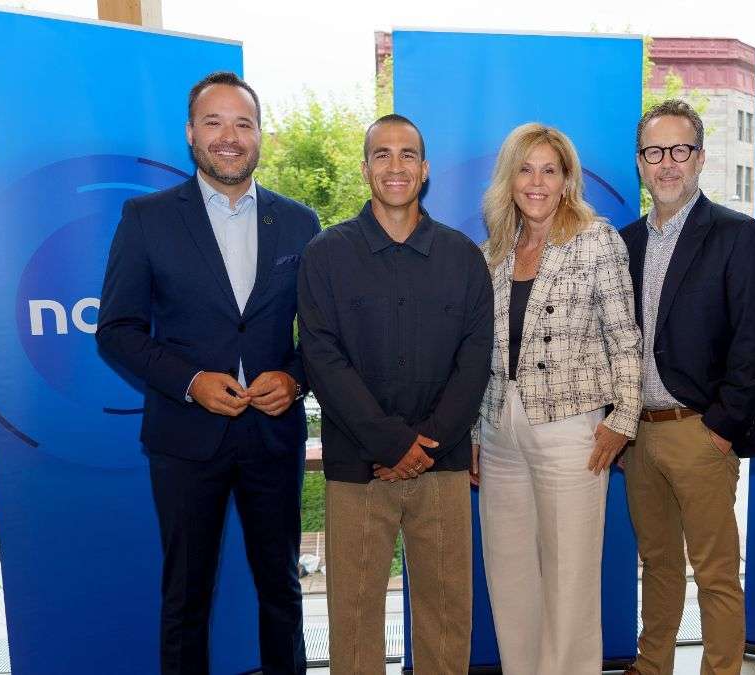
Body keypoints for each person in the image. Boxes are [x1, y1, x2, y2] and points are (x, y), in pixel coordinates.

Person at [97, 71, 318, 674]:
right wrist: (191, 382)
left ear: (259, 136)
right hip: (185, 440)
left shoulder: (300, 223)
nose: (229, 136)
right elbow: (116, 331)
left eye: (243, 123)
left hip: (273, 439)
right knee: (186, 600)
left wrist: (296, 378)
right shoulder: (147, 218)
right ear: (192, 133)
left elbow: (322, 337)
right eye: (215, 122)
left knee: (282, 593)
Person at [296, 113, 494, 674]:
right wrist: (389, 443)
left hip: (442, 464)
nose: (395, 165)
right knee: (353, 620)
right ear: (365, 169)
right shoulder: (325, 255)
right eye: (382, 154)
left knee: (447, 615)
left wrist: (423, 444)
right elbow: (321, 357)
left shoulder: (463, 257)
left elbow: (474, 360)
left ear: (425, 169)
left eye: (407, 154)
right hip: (357, 470)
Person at [470, 122, 642, 674]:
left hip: (573, 429)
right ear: (509, 179)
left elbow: (626, 337)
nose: (536, 182)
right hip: (500, 429)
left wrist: (624, 417)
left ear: (567, 179)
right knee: (510, 570)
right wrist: (474, 432)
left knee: (569, 576)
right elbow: (481, 355)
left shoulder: (597, 239)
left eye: (549, 169)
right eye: (525, 169)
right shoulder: (493, 250)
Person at [620, 99, 755, 675]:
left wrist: (721, 426)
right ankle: (652, 664)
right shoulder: (624, 243)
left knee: (714, 573)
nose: (668, 164)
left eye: (680, 150)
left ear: (701, 158)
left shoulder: (738, 236)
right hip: (636, 435)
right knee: (656, 563)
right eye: (655, 152)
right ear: (640, 163)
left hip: (700, 434)